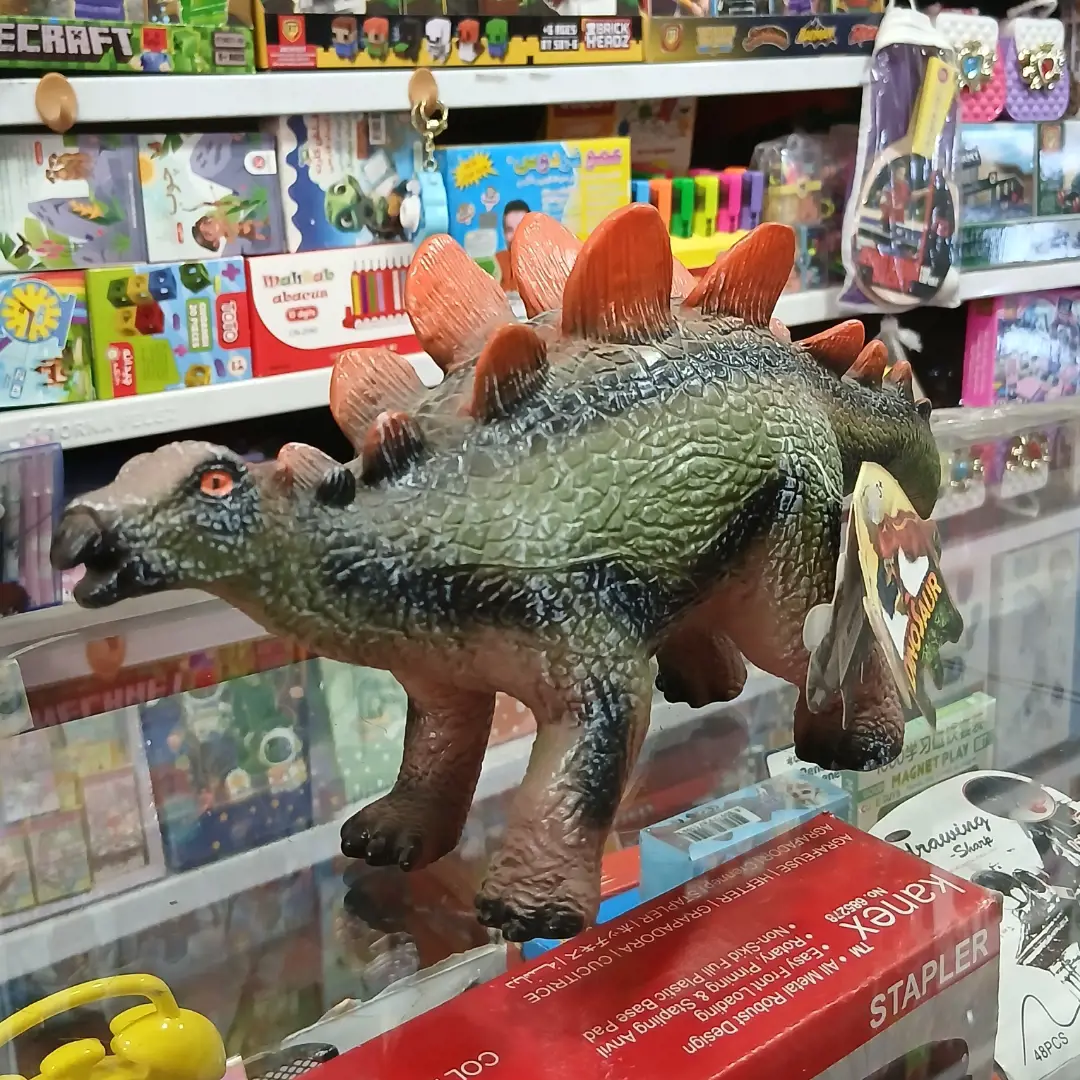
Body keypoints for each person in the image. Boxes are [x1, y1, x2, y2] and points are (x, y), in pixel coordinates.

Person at [494, 199, 529, 294]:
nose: (515, 236)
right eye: (509, 230)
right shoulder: (496, 263)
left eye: (521, 228)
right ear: (504, 233)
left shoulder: (545, 267)